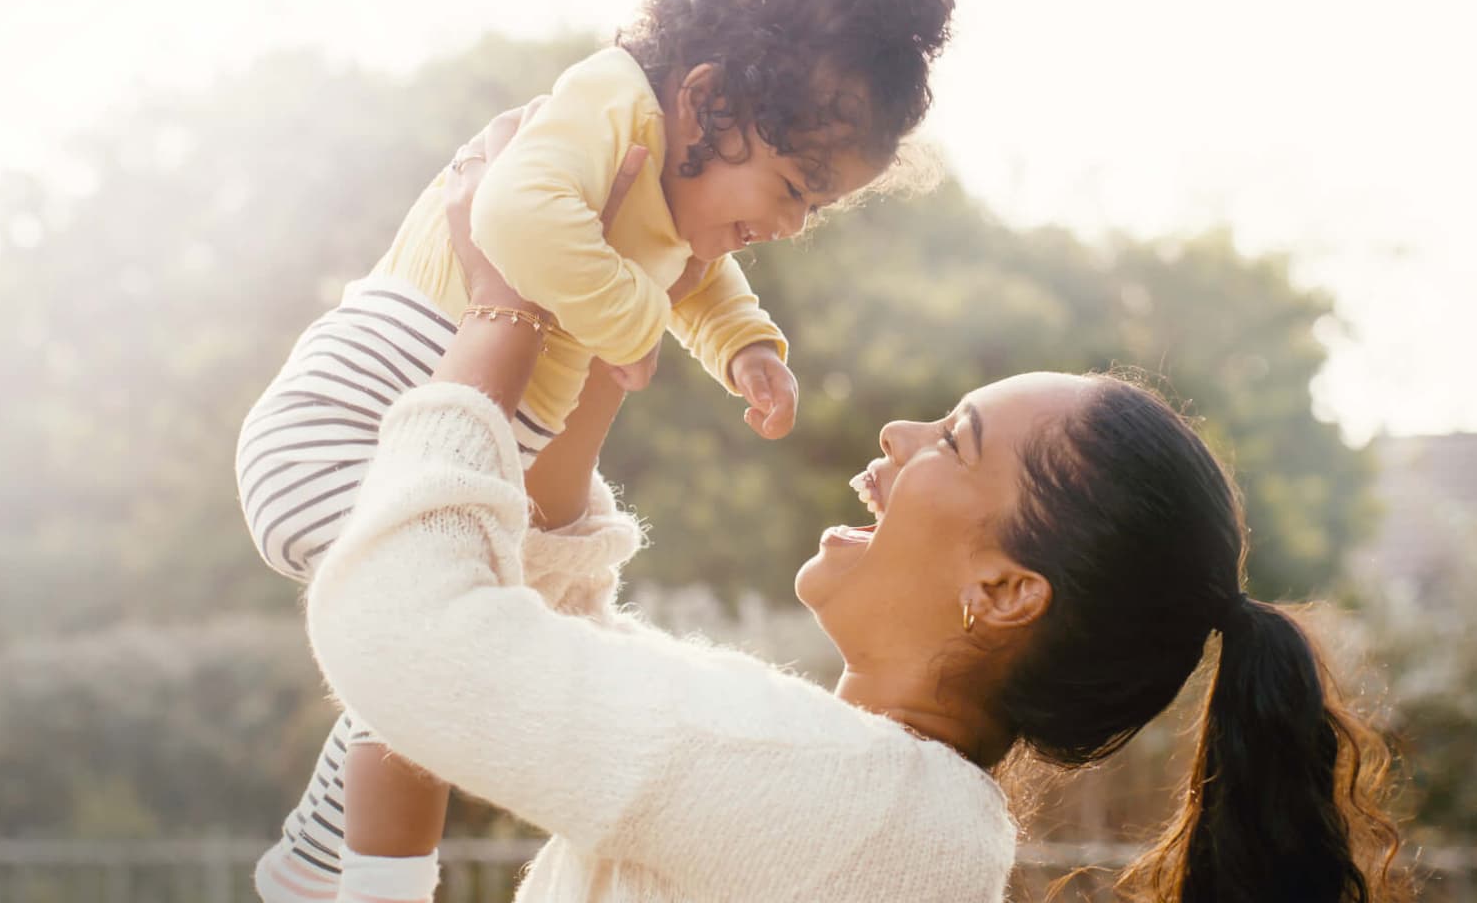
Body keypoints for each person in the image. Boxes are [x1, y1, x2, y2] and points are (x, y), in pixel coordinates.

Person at [296, 107, 1406, 902]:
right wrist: (597, 327)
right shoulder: (866, 794)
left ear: (1006, 589)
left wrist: (499, 314)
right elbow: (556, 640)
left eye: (954, 439)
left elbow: (413, 635)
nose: (900, 433)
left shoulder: (836, 798)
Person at [233, 0, 957, 902]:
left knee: (434, 684)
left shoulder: (671, 201)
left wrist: (747, 344)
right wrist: (629, 323)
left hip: (466, 450)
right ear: (707, 102)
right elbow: (510, 215)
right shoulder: (606, 103)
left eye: (817, 207)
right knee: (433, 649)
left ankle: (331, 864)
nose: (794, 223)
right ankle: (361, 879)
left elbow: (696, 278)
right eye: (795, 186)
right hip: (350, 427)